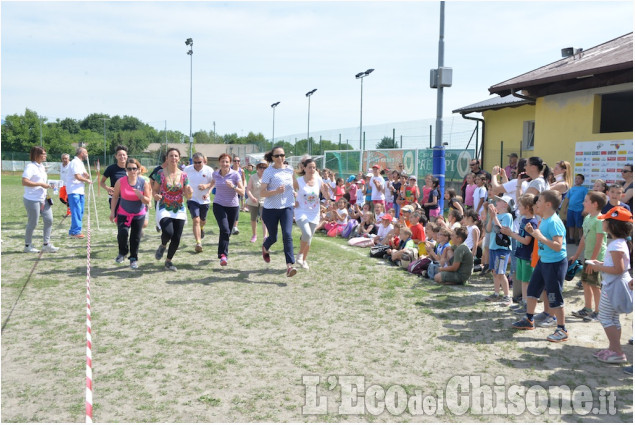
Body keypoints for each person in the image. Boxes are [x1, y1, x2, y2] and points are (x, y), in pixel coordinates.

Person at [512, 190, 569, 343]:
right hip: (543, 261)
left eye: (539, 201)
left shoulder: (554, 222)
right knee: (532, 290)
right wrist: (533, 233)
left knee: (553, 296)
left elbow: (557, 246)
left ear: (548, 204)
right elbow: (541, 239)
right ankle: (529, 320)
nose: (536, 203)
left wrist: (538, 236)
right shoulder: (544, 219)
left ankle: (562, 329)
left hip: (555, 264)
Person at [587, 206, 633, 364]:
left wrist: (599, 267)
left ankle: (618, 352)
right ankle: (613, 348)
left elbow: (618, 269)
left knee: (605, 317)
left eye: (605, 220)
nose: (603, 223)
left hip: (614, 286)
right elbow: (616, 265)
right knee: (613, 318)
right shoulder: (619, 243)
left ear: (612, 225)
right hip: (616, 284)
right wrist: (601, 263)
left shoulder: (616, 245)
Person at [151, 148, 193, 272]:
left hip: (179, 207)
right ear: (167, 158)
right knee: (168, 232)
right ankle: (163, 245)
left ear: (179, 158)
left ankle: (168, 261)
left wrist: (189, 192)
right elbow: (154, 189)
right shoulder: (160, 173)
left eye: (176, 156)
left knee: (177, 237)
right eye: (171, 156)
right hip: (164, 205)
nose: (173, 158)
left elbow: (188, 194)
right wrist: (155, 195)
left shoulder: (184, 175)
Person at [570, 191, 607, 321]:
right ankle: (587, 308)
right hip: (588, 257)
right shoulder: (587, 218)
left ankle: (599, 312)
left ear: (595, 204)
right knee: (586, 283)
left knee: (595, 286)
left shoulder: (600, 220)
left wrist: (593, 261)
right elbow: (583, 239)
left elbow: (599, 242)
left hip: (596, 259)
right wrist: (576, 255)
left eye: (586, 201)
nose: (583, 203)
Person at [260, 147, 298, 277]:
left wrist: (296, 193)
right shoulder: (268, 172)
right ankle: (265, 246)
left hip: (287, 207)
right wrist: (275, 191)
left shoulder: (290, 170)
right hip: (270, 209)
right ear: (272, 158)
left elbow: (295, 185)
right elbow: (262, 192)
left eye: (282, 155)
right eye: (277, 156)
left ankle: (290, 266)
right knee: (273, 237)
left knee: (287, 235)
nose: (280, 158)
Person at [109, 158, 151, 269]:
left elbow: (148, 201)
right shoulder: (121, 181)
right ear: (126, 170)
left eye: (134, 168)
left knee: (135, 237)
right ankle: (122, 253)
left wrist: (140, 196)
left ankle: (133, 258)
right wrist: (112, 212)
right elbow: (115, 197)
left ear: (138, 169)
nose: (132, 171)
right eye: (129, 169)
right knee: (122, 233)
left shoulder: (143, 182)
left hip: (139, 214)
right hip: (123, 212)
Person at [501, 194, 538, 313]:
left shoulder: (532, 222)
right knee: (523, 280)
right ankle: (523, 301)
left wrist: (511, 234)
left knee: (527, 281)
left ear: (527, 207)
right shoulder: (523, 220)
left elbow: (527, 241)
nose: (518, 208)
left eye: (520, 206)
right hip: (521, 254)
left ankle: (527, 305)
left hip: (527, 256)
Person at [294, 157, 329, 269]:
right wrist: (293, 200)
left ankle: (303, 260)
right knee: (307, 234)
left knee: (308, 238)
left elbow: (327, 197)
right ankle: (299, 255)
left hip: (314, 212)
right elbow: (290, 191)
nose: (312, 169)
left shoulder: (319, 180)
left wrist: (327, 193)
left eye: (314, 167)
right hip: (301, 211)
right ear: (304, 168)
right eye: (310, 167)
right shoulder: (298, 181)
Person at [22, 146, 59, 253]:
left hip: (43, 199)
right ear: (36, 155)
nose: (45, 155)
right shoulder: (30, 167)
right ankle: (27, 246)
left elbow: (42, 182)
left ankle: (46, 244)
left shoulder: (42, 166)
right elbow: (24, 181)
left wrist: (48, 186)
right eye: (43, 154)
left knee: (49, 220)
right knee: (33, 223)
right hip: (32, 199)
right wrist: (40, 184)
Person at [211, 153, 245, 266]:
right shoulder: (215, 174)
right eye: (222, 161)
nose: (224, 164)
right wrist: (206, 191)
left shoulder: (235, 175)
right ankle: (223, 255)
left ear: (230, 163)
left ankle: (222, 253)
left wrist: (233, 187)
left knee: (227, 232)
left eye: (227, 161)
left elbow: (242, 192)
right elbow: (211, 185)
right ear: (219, 162)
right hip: (218, 205)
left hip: (233, 206)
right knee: (225, 230)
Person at [484, 195, 514, 306]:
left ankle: (507, 296)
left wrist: (494, 217)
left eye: (500, 201)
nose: (497, 202)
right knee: (495, 272)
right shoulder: (496, 215)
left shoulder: (507, 216)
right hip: (493, 247)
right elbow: (488, 230)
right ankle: (496, 293)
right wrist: (491, 217)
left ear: (505, 204)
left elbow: (503, 230)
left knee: (501, 273)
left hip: (502, 248)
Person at [184, 153, 214, 253]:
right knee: (196, 220)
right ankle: (198, 243)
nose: (197, 164)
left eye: (199, 162)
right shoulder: (187, 169)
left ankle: (202, 228)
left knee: (202, 220)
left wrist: (206, 187)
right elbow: (183, 181)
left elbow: (213, 183)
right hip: (192, 199)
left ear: (203, 161)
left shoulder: (209, 170)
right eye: (195, 162)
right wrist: (187, 188)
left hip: (204, 199)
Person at [65, 147, 92, 238]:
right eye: (86, 153)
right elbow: (77, 176)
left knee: (80, 211)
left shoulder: (80, 163)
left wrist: (86, 175)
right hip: (73, 190)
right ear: (81, 153)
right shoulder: (74, 162)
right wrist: (86, 180)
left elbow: (83, 174)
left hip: (80, 190)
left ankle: (73, 230)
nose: (87, 155)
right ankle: (76, 231)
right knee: (76, 210)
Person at [246, 160, 269, 243]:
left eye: (264, 167)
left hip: (264, 201)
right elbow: (248, 189)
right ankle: (254, 235)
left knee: (264, 219)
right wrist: (252, 197)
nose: (262, 169)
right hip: (253, 201)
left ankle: (265, 236)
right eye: (260, 167)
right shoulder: (253, 177)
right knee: (253, 219)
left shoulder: (268, 177)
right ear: (257, 168)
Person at [566, 174, 589, 244]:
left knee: (579, 225)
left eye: (579, 179)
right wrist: (565, 208)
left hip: (579, 210)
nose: (577, 180)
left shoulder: (584, 189)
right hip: (570, 209)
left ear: (582, 181)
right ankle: (571, 238)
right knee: (570, 225)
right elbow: (567, 199)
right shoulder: (571, 189)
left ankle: (580, 239)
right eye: (576, 179)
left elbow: (586, 199)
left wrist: (585, 209)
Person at [230, 155, 246, 235]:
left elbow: (243, 179)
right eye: (235, 161)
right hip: (229, 191)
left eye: (238, 161)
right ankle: (229, 224)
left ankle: (235, 227)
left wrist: (243, 188)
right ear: (233, 162)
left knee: (237, 208)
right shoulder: (229, 169)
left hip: (238, 191)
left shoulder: (241, 170)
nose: (237, 162)